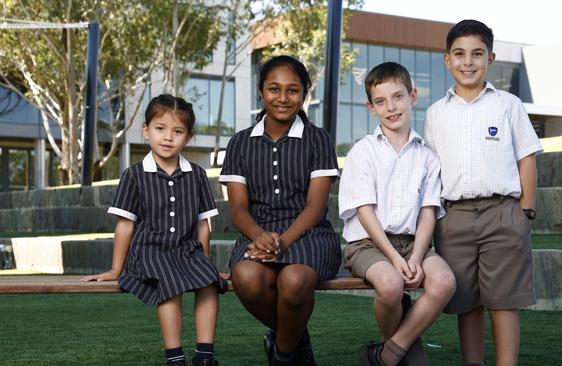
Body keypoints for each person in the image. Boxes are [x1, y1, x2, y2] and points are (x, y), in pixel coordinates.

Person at [423, 19, 543, 366]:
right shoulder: (435, 113)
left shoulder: (508, 104)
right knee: (467, 303)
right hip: (454, 218)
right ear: (447, 60)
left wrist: (526, 213)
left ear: (491, 58)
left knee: (503, 302)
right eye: (459, 54)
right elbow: (431, 169)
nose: (468, 62)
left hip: (504, 214)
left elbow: (526, 159)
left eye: (477, 54)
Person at [82, 94, 227, 366]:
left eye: (177, 131)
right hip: (150, 251)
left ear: (188, 137)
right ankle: (175, 357)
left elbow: (202, 223)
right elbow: (125, 225)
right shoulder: (134, 175)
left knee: (210, 282)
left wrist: (206, 263)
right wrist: (116, 269)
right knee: (169, 282)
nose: (168, 137)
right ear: (146, 131)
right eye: (160, 129)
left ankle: (205, 355)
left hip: (186, 250)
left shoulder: (196, 174)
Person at [219, 55, 341, 366]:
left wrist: (283, 242)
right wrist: (260, 237)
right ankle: (296, 339)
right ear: (261, 91)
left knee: (295, 280)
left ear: (305, 93)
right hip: (256, 232)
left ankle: (283, 355)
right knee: (245, 277)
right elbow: (238, 208)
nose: (283, 98)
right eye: (274, 89)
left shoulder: (318, 139)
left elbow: (316, 206)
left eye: (293, 90)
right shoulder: (240, 143)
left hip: (308, 233)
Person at [339, 61, 456, 366]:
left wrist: (416, 257)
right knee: (391, 285)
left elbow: (428, 212)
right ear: (371, 107)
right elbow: (364, 212)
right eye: (381, 101)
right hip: (368, 244)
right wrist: (394, 258)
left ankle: (388, 353)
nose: (391, 107)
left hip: (411, 243)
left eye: (398, 97)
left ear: (412, 96)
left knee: (444, 282)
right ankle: (399, 353)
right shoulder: (363, 151)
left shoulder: (427, 156)